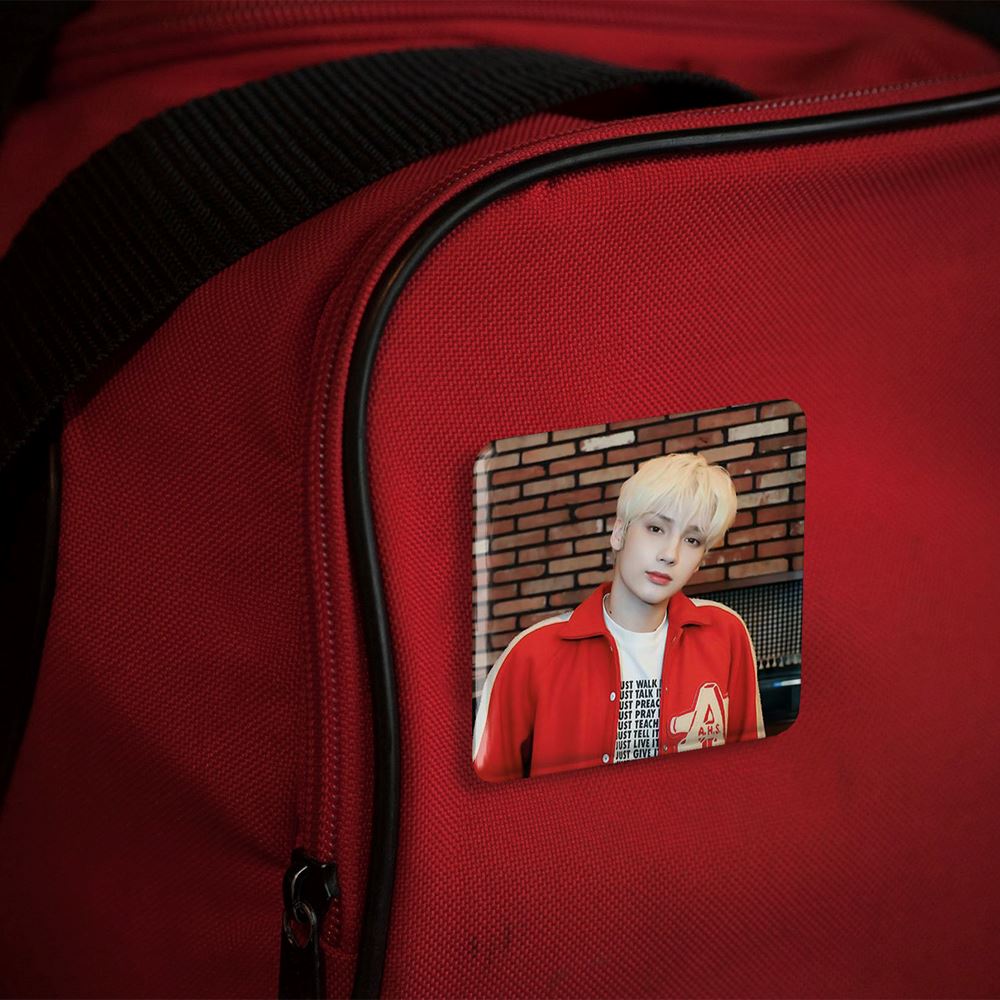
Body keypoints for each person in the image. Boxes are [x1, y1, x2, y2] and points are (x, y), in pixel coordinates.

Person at [473, 452, 765, 782]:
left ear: (700, 560)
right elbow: (484, 797)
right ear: (619, 533)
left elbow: (749, 775)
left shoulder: (725, 634)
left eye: (692, 540)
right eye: (655, 528)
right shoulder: (530, 655)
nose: (670, 554)